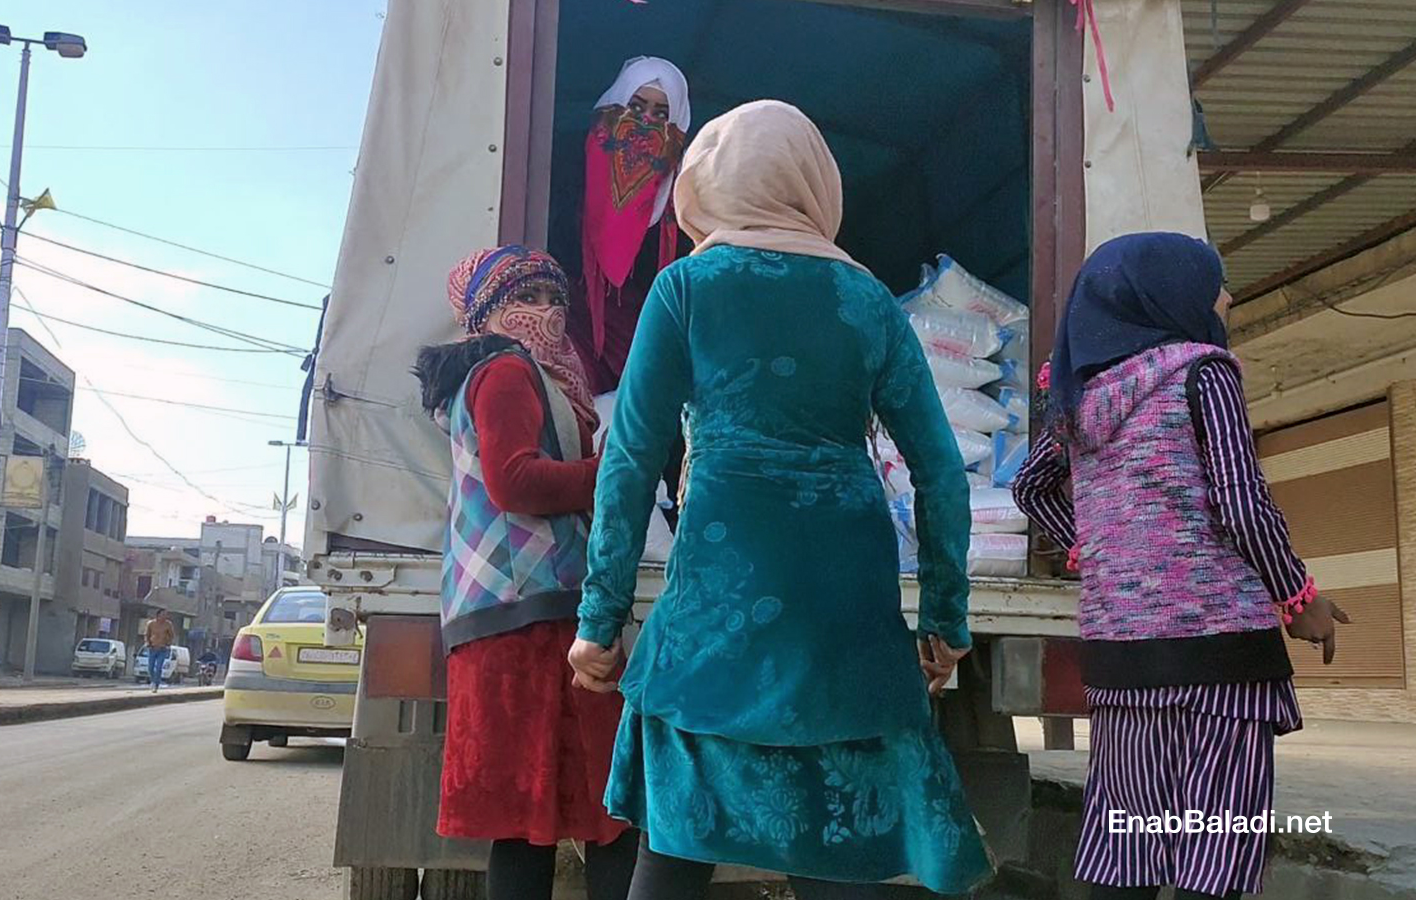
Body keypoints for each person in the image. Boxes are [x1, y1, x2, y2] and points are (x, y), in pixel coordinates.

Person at [568, 101, 992, 900]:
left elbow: (629, 459)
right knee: (836, 847)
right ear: (813, 184)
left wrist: (600, 621)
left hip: (720, 604)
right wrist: (944, 625)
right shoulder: (867, 301)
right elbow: (938, 471)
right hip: (845, 609)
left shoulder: (685, 289)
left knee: (674, 846)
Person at [1011, 232, 1350, 900]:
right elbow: (1242, 506)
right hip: (1220, 661)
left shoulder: (1082, 401)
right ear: (1167, 295)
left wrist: (1098, 547)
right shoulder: (1203, 372)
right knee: (1215, 855)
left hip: (1122, 660)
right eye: (1213, 283)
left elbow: (1029, 487)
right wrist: (1298, 598)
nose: (1225, 296)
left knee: (1127, 854)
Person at [411, 245, 637, 900]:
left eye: (553, 298)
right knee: (608, 809)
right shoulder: (508, 371)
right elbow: (513, 482)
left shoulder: (512, 374)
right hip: (531, 617)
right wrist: (616, 477)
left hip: (506, 614)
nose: (545, 312)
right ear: (486, 312)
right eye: (523, 299)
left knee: (527, 822)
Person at [568, 56, 693, 533]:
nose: (644, 124)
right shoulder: (569, 175)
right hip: (583, 330)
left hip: (655, 337)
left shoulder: (686, 206)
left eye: (661, 115)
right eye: (636, 106)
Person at [144, 610, 175, 694]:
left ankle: (156, 685)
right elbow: (147, 634)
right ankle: (153, 681)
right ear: (158, 615)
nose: (165, 616)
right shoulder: (151, 623)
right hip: (152, 648)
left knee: (158, 667)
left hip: (162, 649)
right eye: (163, 615)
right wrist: (147, 642)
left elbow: (172, 635)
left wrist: (168, 643)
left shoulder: (168, 624)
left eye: (166, 615)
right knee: (150, 667)